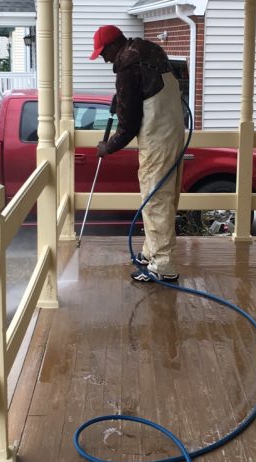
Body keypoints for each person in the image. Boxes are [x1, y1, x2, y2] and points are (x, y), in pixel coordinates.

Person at [89, 25, 185, 282]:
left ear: (112, 45)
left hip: (157, 139)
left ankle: (163, 265)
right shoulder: (150, 49)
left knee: (156, 199)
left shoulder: (127, 66)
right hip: (173, 131)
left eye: (102, 52)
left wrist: (107, 147)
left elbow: (128, 125)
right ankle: (151, 251)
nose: (103, 58)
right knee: (163, 197)